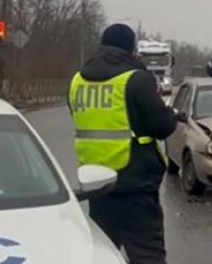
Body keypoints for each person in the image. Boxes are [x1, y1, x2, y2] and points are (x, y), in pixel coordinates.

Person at [68, 24, 177, 264]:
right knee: (146, 253)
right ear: (131, 49)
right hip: (135, 182)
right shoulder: (136, 79)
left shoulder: (77, 81)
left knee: (104, 253)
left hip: (96, 182)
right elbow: (161, 126)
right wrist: (171, 115)